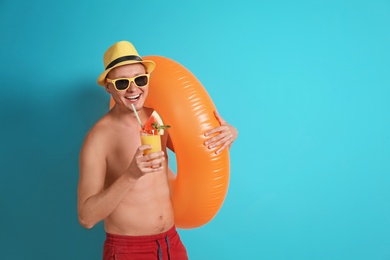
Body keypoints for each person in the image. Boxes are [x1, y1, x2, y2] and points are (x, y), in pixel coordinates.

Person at [77, 41, 238, 260]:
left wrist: (227, 134)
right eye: (123, 83)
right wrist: (130, 175)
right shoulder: (98, 137)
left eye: (140, 79)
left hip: (171, 242)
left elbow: (196, 150)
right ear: (109, 87)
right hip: (128, 249)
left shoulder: (157, 119)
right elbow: (86, 217)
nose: (134, 89)